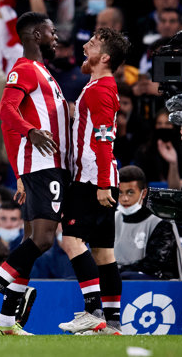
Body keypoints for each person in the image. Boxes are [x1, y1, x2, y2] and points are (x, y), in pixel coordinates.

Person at [0, 12, 69, 336]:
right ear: (36, 35)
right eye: (52, 32)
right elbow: (5, 110)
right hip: (42, 164)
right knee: (43, 239)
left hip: (45, 166)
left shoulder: (43, 72)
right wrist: (31, 131)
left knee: (29, 241)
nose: (56, 38)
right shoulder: (24, 69)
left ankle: (7, 320)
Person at [58, 28, 130, 335]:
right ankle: (113, 323)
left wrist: (101, 184)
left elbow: (104, 139)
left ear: (105, 57)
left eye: (93, 44)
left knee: (71, 240)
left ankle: (93, 311)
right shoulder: (100, 85)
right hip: (99, 177)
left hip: (91, 178)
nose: (84, 46)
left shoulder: (101, 89)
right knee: (103, 253)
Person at [113, 166, 182, 281]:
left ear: (144, 193)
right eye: (120, 193)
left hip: (159, 285)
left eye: (130, 192)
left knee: (125, 277)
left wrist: (117, 270)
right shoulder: (112, 219)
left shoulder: (161, 223)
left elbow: (154, 264)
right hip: (121, 277)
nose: (124, 198)